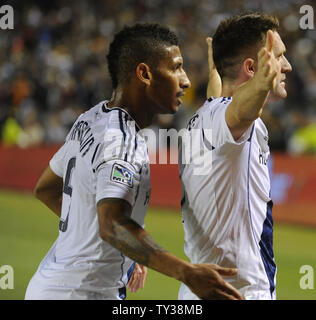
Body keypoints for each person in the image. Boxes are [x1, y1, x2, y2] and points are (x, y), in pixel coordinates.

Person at [25, 23, 243, 300]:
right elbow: (113, 225)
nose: (186, 80)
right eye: (176, 67)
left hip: (47, 287)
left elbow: (45, 188)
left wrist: (126, 246)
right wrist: (188, 273)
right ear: (145, 74)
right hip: (84, 293)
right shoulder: (122, 141)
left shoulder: (90, 119)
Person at [178, 13, 292, 300]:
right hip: (241, 292)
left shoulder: (202, 117)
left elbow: (219, 95)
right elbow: (239, 109)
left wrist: (215, 66)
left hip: (199, 291)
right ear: (253, 67)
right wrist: (261, 85)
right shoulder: (231, 120)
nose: (286, 66)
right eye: (279, 57)